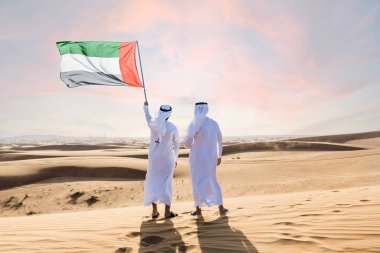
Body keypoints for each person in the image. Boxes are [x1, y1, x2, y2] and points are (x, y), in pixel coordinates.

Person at [184, 102, 228, 216]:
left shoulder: (194, 124)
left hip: (197, 158)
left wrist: (192, 142)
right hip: (211, 158)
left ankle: (198, 209)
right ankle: (221, 207)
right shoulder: (214, 123)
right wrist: (219, 155)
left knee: (197, 181)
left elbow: (187, 144)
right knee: (212, 180)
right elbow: (220, 140)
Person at [143, 101, 179, 219]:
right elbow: (177, 145)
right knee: (167, 184)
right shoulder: (173, 128)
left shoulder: (152, 123)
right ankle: (167, 212)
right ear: (169, 115)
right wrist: (176, 158)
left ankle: (154, 211)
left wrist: (146, 107)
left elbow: (147, 116)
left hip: (154, 159)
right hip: (167, 159)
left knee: (152, 182)